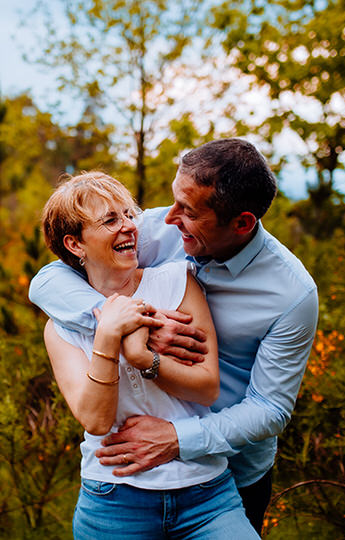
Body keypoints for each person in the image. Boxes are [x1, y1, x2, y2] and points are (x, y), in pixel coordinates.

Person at [29, 139, 318, 536]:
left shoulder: (291, 294)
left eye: (189, 211)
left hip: (230, 472)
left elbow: (270, 407)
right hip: (125, 484)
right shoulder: (156, 230)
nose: (167, 218)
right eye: (174, 200)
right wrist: (126, 326)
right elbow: (48, 278)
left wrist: (177, 438)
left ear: (242, 223)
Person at [38, 171, 260, 539]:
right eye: (110, 220)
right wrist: (109, 337)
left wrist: (143, 358)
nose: (128, 227)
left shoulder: (176, 281)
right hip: (113, 499)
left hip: (206, 493)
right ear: (75, 245)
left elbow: (206, 388)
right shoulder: (59, 327)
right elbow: (95, 420)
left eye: (128, 214)